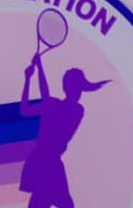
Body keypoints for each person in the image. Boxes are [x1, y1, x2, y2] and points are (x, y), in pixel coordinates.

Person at [18, 56, 109, 208]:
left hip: (48, 163)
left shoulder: (75, 110)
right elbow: (26, 109)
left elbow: (41, 99)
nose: (79, 92)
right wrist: (29, 78)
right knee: (51, 203)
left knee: (49, 202)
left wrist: (34, 72)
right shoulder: (60, 106)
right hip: (45, 163)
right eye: (78, 88)